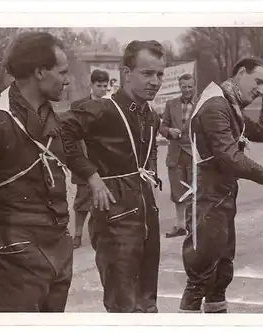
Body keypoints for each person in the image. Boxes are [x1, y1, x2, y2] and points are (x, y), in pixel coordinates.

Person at [0, 31, 73, 312]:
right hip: (13, 254)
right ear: (40, 72)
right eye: (62, 72)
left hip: (57, 250)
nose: (67, 80)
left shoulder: (50, 117)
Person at [178, 57, 263, 313]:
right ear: (240, 73)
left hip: (221, 201)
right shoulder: (215, 106)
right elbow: (231, 160)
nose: (258, 89)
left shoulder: (230, 105)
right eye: (257, 81)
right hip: (206, 202)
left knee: (221, 275)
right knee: (200, 278)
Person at [60, 40, 164, 313]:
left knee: (147, 301)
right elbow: (62, 132)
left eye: (159, 74)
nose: (155, 81)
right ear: (126, 73)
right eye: (147, 73)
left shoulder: (150, 114)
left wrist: (150, 170)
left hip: (146, 211)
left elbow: (147, 153)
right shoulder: (104, 109)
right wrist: (91, 176)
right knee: (124, 305)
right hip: (115, 214)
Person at [67, 69, 110, 249]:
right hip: (84, 157)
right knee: (82, 199)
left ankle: (104, 233)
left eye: (104, 86)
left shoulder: (110, 105)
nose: (101, 89)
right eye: (98, 86)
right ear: (91, 85)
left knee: (105, 197)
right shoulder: (79, 105)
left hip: (105, 160)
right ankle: (77, 234)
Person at [159, 73, 197, 238]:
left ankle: (194, 225)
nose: (187, 90)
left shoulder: (202, 105)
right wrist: (168, 131)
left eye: (190, 86)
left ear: (194, 86)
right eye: (184, 87)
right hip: (175, 154)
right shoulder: (171, 104)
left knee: (194, 190)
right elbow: (162, 126)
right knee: (177, 190)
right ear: (179, 87)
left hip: (194, 154)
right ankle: (181, 226)